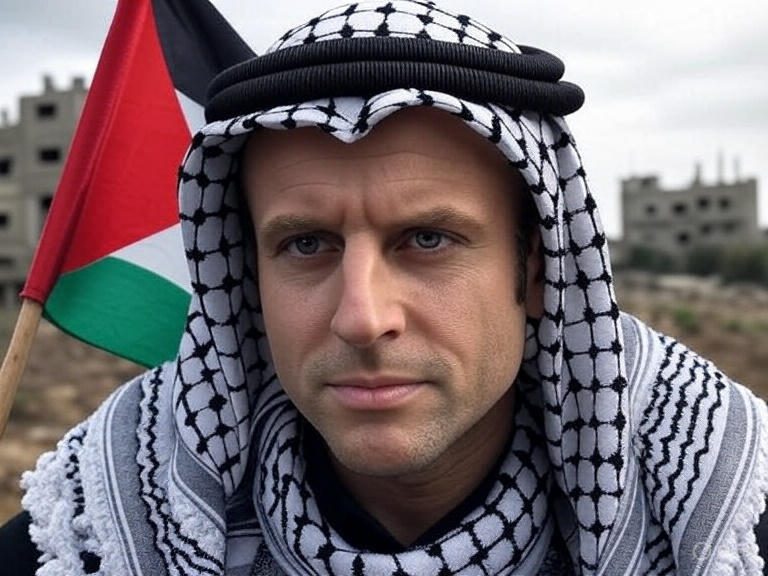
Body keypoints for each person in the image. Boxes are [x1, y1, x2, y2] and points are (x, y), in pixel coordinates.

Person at [2, 1, 768, 574]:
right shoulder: (97, 523)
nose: (363, 318)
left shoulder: (719, 502)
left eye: (427, 240)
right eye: (306, 244)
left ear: (536, 270)